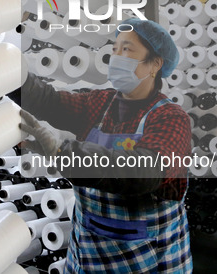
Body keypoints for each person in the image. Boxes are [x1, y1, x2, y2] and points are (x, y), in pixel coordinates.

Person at [16, 18, 192, 273]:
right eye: (115, 49)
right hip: (88, 255)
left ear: (155, 64)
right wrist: (6, 68)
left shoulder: (172, 119)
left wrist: (63, 152)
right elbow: (48, 101)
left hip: (147, 258)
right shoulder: (99, 104)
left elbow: (142, 172)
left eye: (127, 50)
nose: (116, 57)